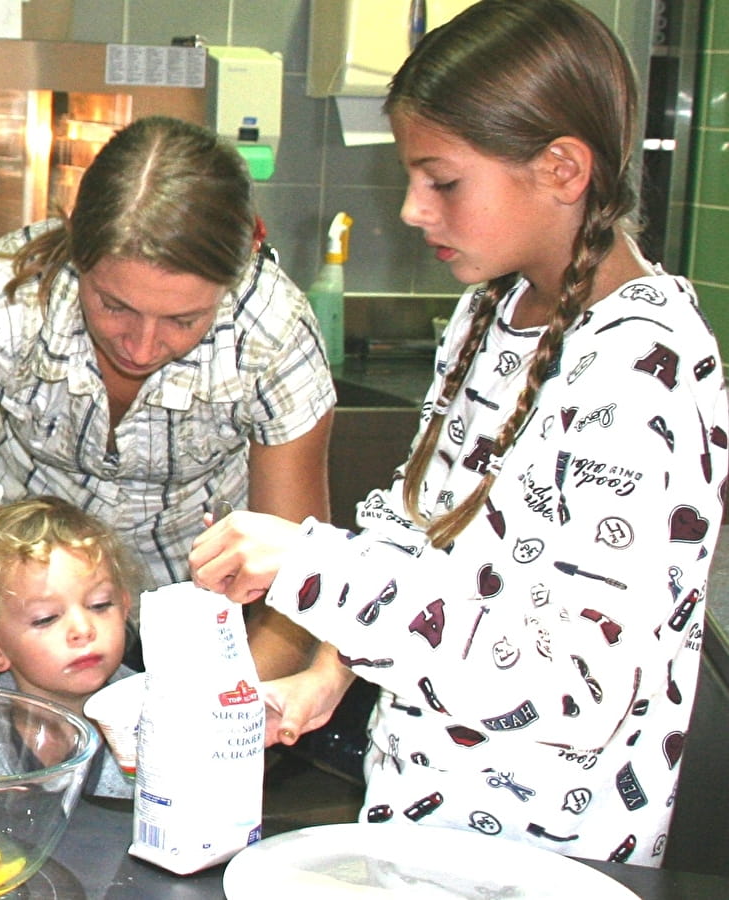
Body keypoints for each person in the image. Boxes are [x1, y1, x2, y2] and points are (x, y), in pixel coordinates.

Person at [188, 0, 726, 866]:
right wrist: (329, 675)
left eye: (441, 181)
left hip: (549, 852)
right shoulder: (494, 308)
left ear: (561, 169)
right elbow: (420, 533)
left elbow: (576, 687)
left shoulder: (639, 370)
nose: (409, 209)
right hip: (421, 815)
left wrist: (310, 567)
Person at [0, 115, 336, 689]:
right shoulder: (7, 297)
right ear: (76, 252)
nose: (141, 346)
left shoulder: (273, 333)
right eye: (114, 305)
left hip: (201, 629)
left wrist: (219, 714)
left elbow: (294, 577)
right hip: (18, 628)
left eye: (183, 320)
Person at [0, 497, 142, 797]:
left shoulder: (163, 717)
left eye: (100, 605)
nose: (82, 630)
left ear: (124, 608)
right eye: (46, 619)